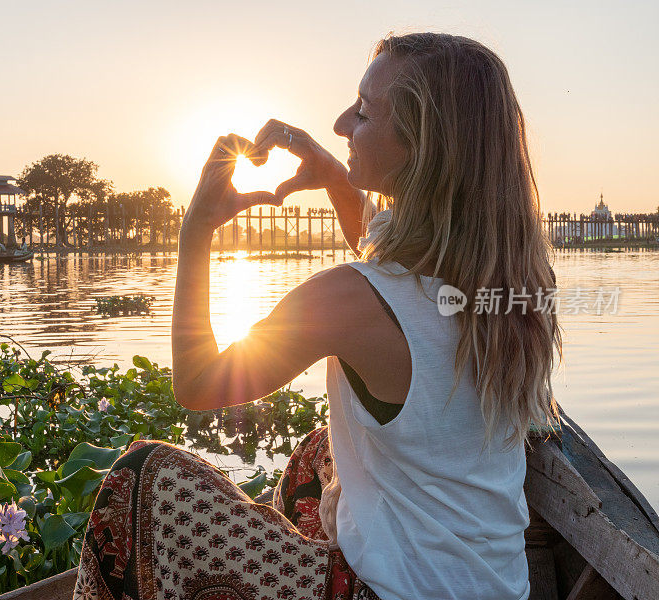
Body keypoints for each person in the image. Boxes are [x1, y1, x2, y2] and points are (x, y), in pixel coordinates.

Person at [74, 32, 561, 600]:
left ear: (420, 146)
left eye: (361, 111)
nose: (339, 124)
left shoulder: (349, 300)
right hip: (493, 587)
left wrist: (195, 233)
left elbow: (197, 381)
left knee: (143, 480)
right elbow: (399, 291)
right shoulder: (506, 284)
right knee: (315, 455)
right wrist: (334, 174)